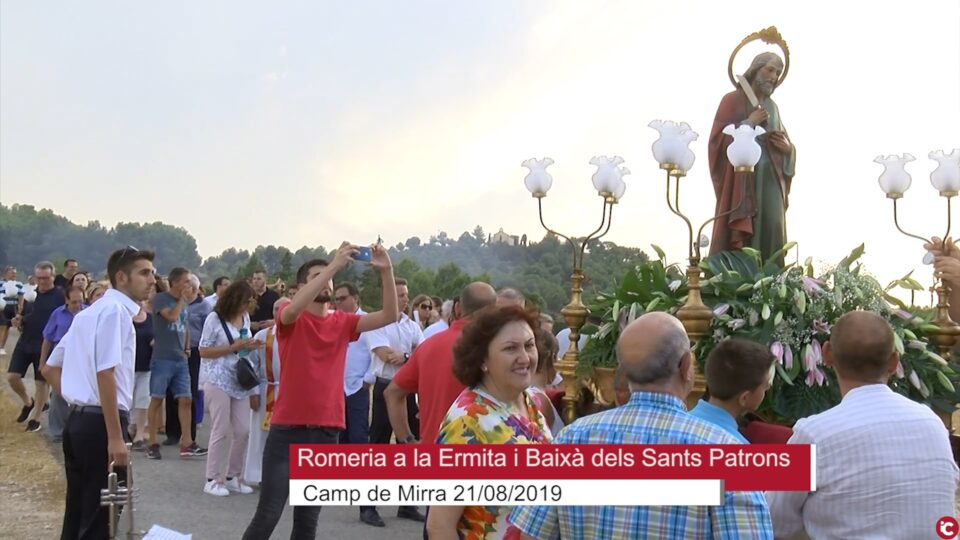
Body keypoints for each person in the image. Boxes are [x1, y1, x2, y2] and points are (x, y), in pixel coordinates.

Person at [512, 312, 773, 539]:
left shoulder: (570, 440)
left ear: (622, 373)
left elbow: (533, 534)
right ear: (686, 367)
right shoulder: (726, 452)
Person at [241, 243, 398, 540]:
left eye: (329, 277)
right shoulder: (290, 314)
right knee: (269, 514)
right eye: (317, 276)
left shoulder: (343, 322)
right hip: (287, 429)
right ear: (302, 286)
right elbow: (293, 310)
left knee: (307, 521)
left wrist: (387, 271)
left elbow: (390, 314)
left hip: (327, 432)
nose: (326, 280)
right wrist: (334, 265)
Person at [766, 311, 959, 538]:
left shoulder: (815, 435)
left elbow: (774, 521)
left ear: (826, 354)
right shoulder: (932, 423)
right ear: (894, 361)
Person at [41, 247, 156, 540]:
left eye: (152, 273)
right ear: (121, 277)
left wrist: (77, 400)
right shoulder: (114, 312)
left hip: (81, 422)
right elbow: (105, 372)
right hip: (100, 425)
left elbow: (50, 368)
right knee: (99, 521)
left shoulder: (89, 313)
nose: (151, 279)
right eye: (144, 273)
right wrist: (115, 435)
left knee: (79, 513)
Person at [427, 305, 553, 539]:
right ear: (482, 359)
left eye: (529, 345)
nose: (524, 357)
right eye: (510, 348)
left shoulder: (528, 400)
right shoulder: (468, 424)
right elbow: (439, 526)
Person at [709, 52, 796, 265]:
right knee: (749, 229)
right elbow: (717, 141)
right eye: (770, 70)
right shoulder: (733, 99)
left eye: (777, 72)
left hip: (772, 179)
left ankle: (771, 280)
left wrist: (788, 149)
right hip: (745, 179)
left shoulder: (772, 107)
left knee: (773, 225)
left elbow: (785, 140)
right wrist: (748, 122)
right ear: (756, 69)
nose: (774, 76)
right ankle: (742, 277)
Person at [386, 282, 497, 448]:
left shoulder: (428, 346)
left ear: (458, 308)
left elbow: (392, 393)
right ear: (494, 312)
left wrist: (407, 440)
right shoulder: (498, 348)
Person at [365, 277, 426, 523]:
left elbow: (423, 354)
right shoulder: (377, 323)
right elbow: (384, 355)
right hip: (385, 387)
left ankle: (407, 504)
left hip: (409, 391)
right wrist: (407, 356)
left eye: (406, 294)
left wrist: (407, 355)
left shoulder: (411, 325)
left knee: (409, 447)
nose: (405, 299)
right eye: (400, 294)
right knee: (378, 447)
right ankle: (367, 506)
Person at [199, 281, 260, 497]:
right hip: (217, 377)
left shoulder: (244, 318)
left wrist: (249, 346)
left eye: (251, 301)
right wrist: (232, 347)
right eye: (246, 300)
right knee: (220, 428)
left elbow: (242, 348)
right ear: (235, 299)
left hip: (238, 378)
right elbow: (203, 351)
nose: (249, 305)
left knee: (243, 429)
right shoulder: (214, 319)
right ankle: (212, 478)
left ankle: (234, 476)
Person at [333, 282, 382, 527]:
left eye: (343, 298)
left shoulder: (367, 322)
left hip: (357, 388)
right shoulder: (334, 321)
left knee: (360, 441)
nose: (338, 303)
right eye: (336, 299)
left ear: (356, 298)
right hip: (335, 389)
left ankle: (366, 503)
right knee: (338, 438)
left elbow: (376, 354)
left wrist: (368, 379)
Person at [146, 267, 206, 459]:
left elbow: (184, 326)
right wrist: (181, 300)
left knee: (186, 399)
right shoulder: (161, 299)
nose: (189, 285)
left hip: (180, 358)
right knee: (157, 399)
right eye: (186, 282)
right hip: (163, 357)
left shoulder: (185, 305)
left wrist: (187, 348)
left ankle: (187, 442)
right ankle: (152, 442)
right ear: (176, 282)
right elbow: (171, 317)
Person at [8, 261, 63, 425]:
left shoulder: (60, 295)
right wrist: (18, 320)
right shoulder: (30, 294)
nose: (42, 281)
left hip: (46, 344)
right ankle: (27, 402)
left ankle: (36, 418)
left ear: (53, 276)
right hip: (25, 340)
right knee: (12, 377)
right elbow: (24, 314)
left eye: (46, 278)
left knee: (41, 382)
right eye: (39, 278)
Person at [689, 339, 775, 442]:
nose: (769, 387)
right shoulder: (737, 447)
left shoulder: (676, 424)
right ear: (744, 398)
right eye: (765, 386)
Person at [244, 297, 289, 486]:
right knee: (260, 432)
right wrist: (253, 391)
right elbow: (251, 364)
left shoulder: (300, 333)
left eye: (283, 308)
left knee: (289, 435)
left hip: (290, 392)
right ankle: (259, 474)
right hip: (267, 389)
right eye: (275, 308)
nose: (278, 312)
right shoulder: (263, 335)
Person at [130, 287, 155, 451]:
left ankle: (140, 433)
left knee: (142, 400)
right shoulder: (124, 318)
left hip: (146, 365)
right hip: (126, 367)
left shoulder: (151, 318)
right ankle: (128, 429)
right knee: (127, 400)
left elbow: (157, 335)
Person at [1, 265, 25, 355]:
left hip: (13, 307)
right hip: (2, 307)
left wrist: (20, 307)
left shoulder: (19, 284)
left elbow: (21, 296)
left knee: (19, 326)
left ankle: (22, 346)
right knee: (4, 326)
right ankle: (1, 347)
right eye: (12, 273)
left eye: (15, 273)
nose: (14, 275)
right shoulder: (1, 283)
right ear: (6, 273)